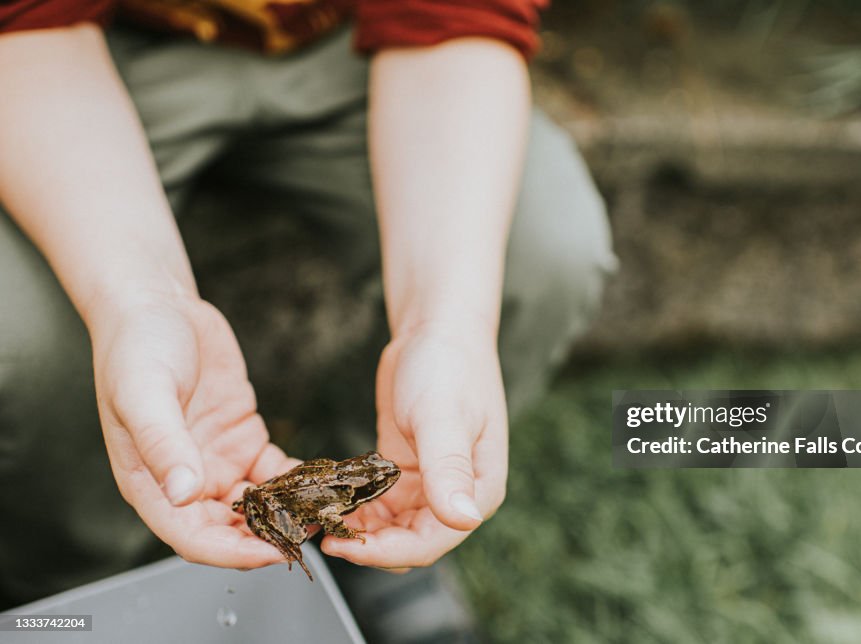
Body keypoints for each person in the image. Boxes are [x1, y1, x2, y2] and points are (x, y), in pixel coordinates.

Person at [0, 1, 615, 639]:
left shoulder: (340, 486)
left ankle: (389, 519)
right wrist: (135, 303)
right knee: (24, 341)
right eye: (369, 485)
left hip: (355, 42)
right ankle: (82, 578)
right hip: (81, 52)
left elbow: (455, 16)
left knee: (542, 252)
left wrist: (445, 324)